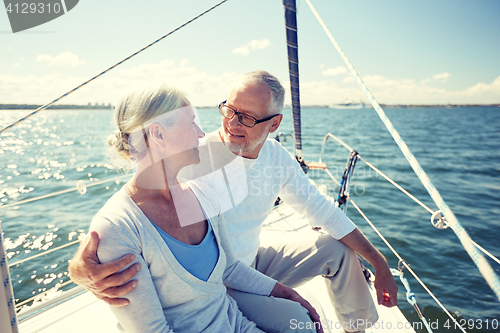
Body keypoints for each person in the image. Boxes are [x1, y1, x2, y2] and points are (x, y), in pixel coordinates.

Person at [70, 71, 398, 333]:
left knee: (336, 250)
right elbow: (135, 207)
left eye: (246, 117)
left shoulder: (274, 157)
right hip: (219, 285)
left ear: (274, 124)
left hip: (244, 266)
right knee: (297, 319)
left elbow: (321, 209)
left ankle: (358, 328)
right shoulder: (191, 157)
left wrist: (379, 262)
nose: (230, 124)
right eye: (229, 110)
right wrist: (80, 264)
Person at [84, 82, 322, 333]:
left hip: (236, 325)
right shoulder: (118, 227)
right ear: (158, 134)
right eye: (191, 123)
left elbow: (229, 268)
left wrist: (289, 294)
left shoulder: (203, 194)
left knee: (304, 324)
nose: (201, 133)